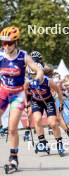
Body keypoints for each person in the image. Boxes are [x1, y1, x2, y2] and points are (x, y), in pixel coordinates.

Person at [0, 26, 44, 173]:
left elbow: (39, 71)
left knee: (12, 128)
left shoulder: (23, 56)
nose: (5, 46)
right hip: (3, 92)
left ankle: (13, 158)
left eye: (9, 43)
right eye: (3, 43)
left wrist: (37, 80)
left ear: (16, 42)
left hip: (17, 95)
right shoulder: (0, 55)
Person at [24, 57, 65, 156]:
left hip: (48, 101)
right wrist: (26, 103)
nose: (36, 78)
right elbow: (25, 92)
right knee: (37, 120)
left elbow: (58, 91)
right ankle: (42, 141)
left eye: (37, 75)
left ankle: (59, 142)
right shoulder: (28, 82)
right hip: (36, 101)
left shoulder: (48, 81)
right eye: (33, 75)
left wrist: (61, 103)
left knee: (53, 124)